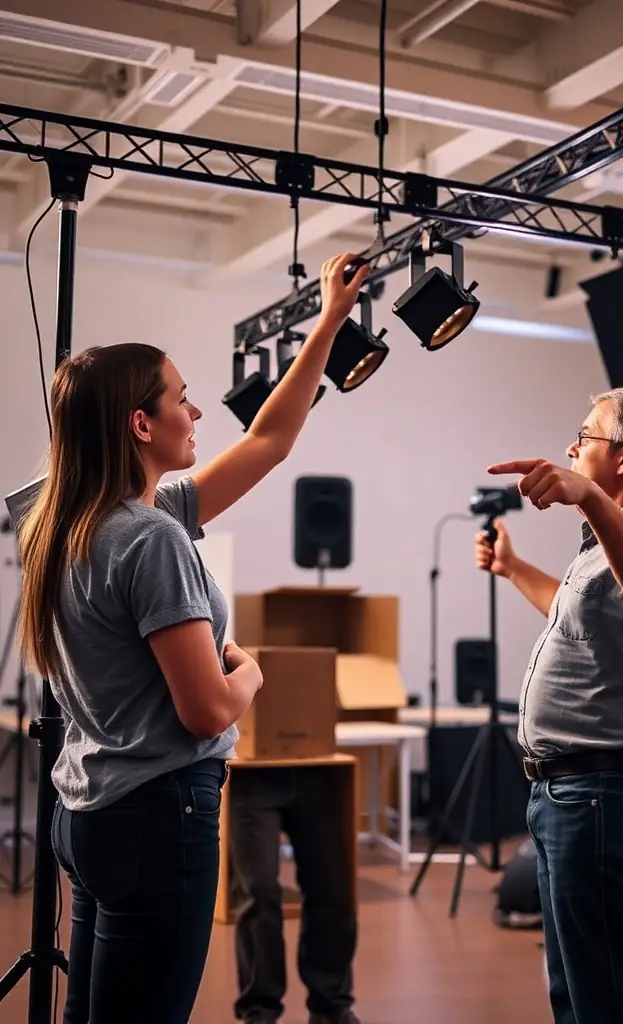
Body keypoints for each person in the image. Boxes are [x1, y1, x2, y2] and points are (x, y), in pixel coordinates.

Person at [16, 251, 370, 1024]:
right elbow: (208, 710)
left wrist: (330, 320)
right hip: (156, 814)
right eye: (184, 398)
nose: (199, 413)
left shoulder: (68, 523)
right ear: (143, 424)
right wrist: (250, 676)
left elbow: (269, 442)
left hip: (87, 813)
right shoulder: (150, 539)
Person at [475, 386, 623, 1024]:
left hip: (611, 793)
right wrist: (513, 568)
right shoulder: (613, 543)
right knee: (580, 994)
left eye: (586, 435)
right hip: (573, 794)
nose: (570, 447)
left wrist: (586, 497)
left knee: (614, 1001)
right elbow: (576, 614)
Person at [229, 767, 359, 1024]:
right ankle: (259, 1010)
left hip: (316, 772)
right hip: (251, 775)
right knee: (259, 891)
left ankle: (329, 1005)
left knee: (332, 888)